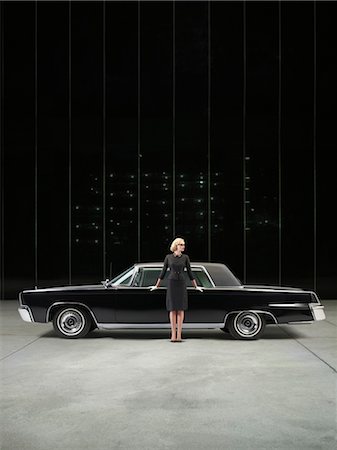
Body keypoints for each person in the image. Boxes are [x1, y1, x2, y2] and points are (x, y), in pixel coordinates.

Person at [150, 237, 203, 342]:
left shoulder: (185, 257)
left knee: (181, 308)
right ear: (176, 245)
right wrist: (157, 285)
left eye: (184, 245)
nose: (184, 246)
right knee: (172, 308)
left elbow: (190, 272)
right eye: (182, 244)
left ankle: (179, 335)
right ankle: (173, 335)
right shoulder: (168, 257)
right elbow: (163, 272)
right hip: (172, 283)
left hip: (181, 283)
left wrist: (196, 286)